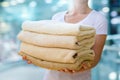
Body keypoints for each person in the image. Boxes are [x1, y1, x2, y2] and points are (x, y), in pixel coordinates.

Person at [23, 0, 108, 80]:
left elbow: (95, 58)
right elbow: (50, 49)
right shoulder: (57, 17)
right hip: (51, 77)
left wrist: (75, 68)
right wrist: (35, 57)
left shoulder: (98, 19)